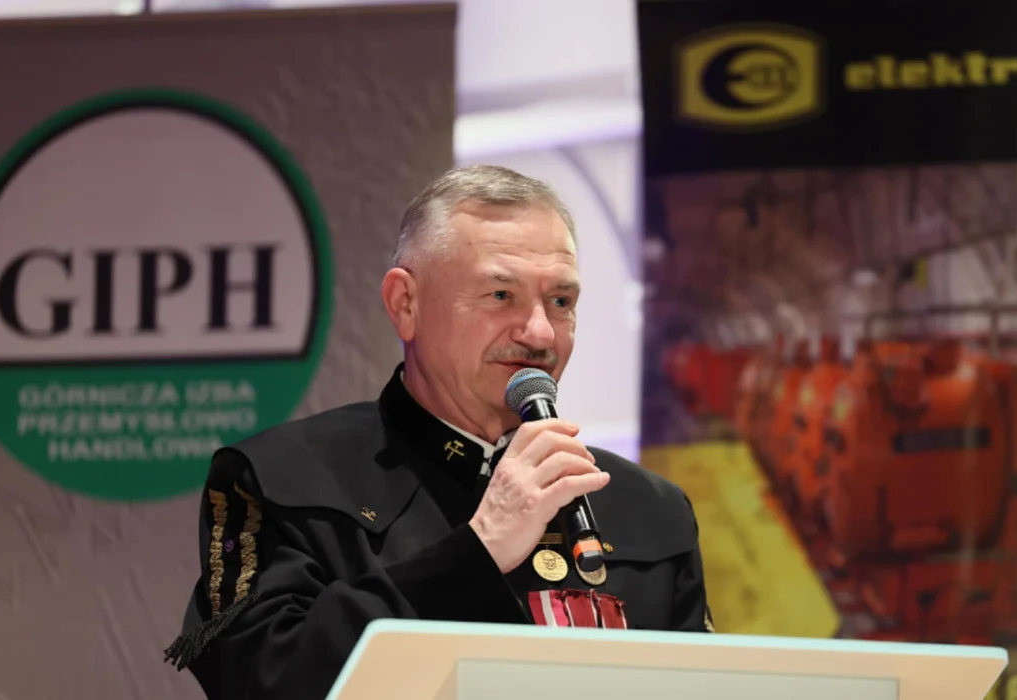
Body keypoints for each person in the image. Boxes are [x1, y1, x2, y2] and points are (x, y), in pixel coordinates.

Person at [164, 164, 713, 699]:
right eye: (500, 295)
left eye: (561, 302)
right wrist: (479, 550)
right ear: (405, 304)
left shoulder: (651, 509)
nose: (540, 333)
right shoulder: (279, 478)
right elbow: (263, 680)